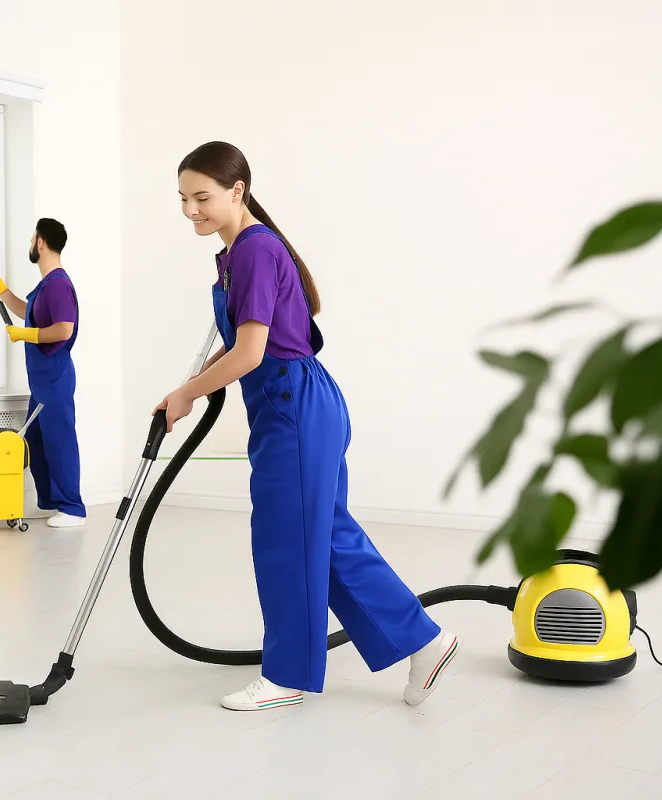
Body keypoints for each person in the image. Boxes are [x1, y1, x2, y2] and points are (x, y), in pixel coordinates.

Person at [156, 142, 458, 711]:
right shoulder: (239, 251)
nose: (190, 210)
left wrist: (187, 393)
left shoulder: (252, 250)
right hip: (298, 402)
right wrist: (192, 385)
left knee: (286, 542)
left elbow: (249, 353)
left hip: (292, 405)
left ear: (237, 191)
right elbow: (246, 344)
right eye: (183, 198)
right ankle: (426, 641)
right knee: (327, 537)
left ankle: (288, 675)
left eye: (202, 197)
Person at [0, 218, 86, 528]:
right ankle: (54, 502)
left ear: (40, 242)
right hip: (40, 381)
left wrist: (27, 335)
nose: (30, 244)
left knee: (59, 440)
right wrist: (0, 288)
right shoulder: (46, 285)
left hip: (55, 377)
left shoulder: (60, 284)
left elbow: (64, 329)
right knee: (36, 441)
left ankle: (73, 508)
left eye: (31, 239)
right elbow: (29, 312)